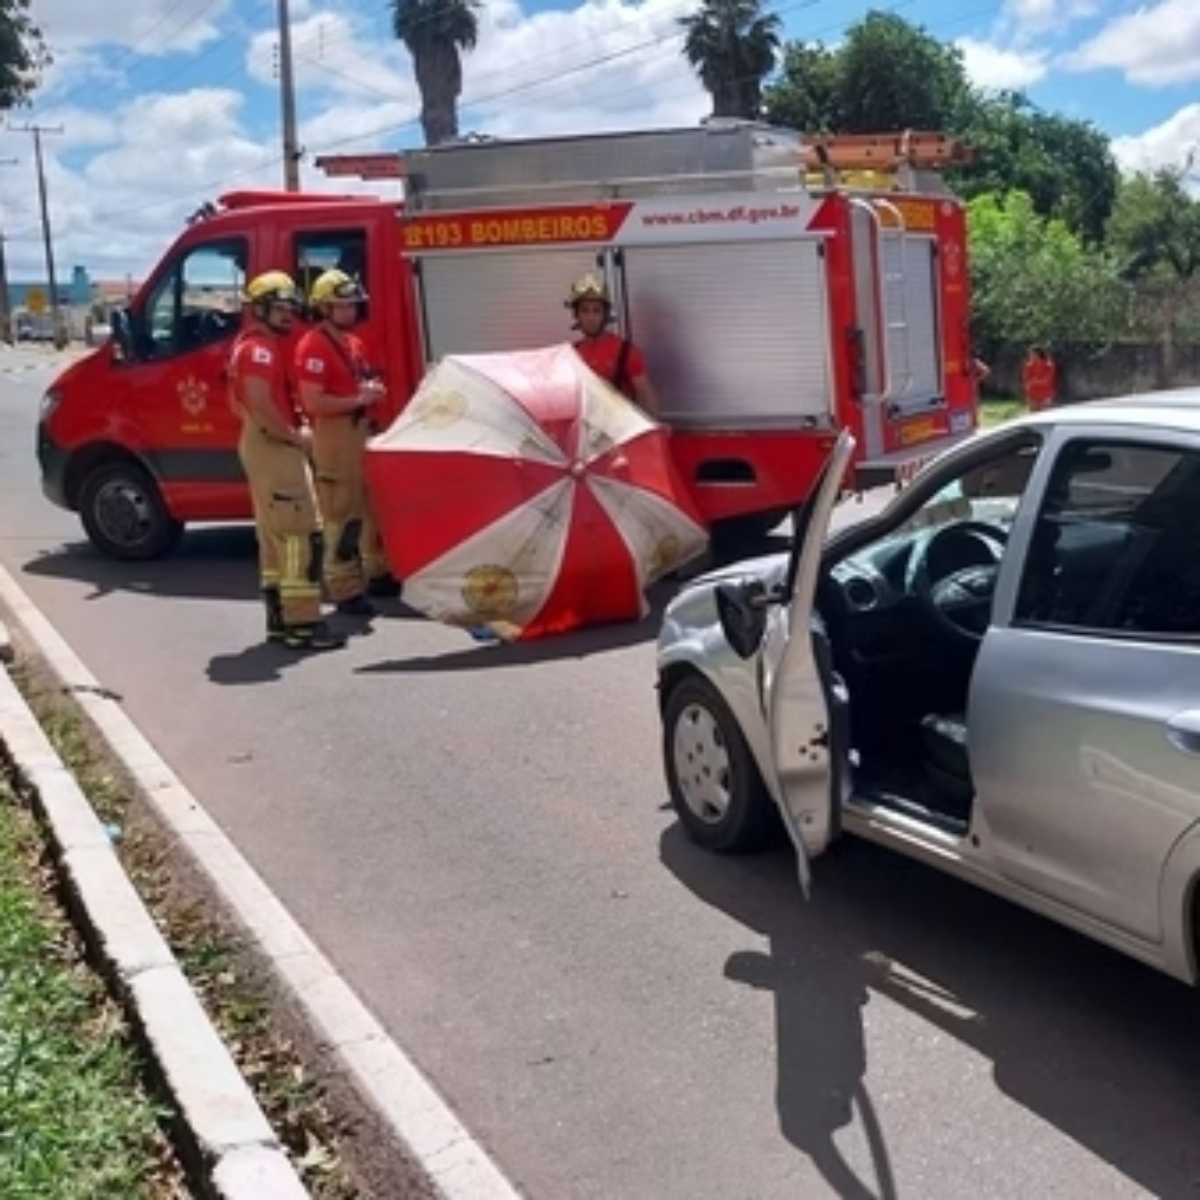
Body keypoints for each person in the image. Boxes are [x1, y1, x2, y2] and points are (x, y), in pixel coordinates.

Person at [227, 270, 345, 652]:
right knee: (299, 536)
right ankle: (304, 623)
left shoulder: (250, 346)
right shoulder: (258, 350)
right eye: (278, 309)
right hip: (274, 446)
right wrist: (294, 436)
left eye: (289, 308)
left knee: (274, 539)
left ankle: (281, 620)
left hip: (262, 444)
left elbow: (241, 404)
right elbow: (260, 403)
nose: (287, 316)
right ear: (259, 309)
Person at [294, 269, 401, 617]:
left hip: (359, 432)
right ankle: (344, 590)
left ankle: (377, 572)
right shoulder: (313, 346)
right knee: (341, 514)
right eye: (342, 306)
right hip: (335, 436)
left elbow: (356, 382)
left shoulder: (352, 344)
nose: (350, 311)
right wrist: (359, 399)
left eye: (353, 305)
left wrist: (370, 393)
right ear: (323, 308)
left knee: (372, 507)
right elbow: (314, 402)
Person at [565, 274, 659, 417]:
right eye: (584, 310)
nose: (590, 318)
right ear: (576, 315)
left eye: (596, 311)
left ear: (606, 315)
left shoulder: (626, 352)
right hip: (587, 432)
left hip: (620, 431)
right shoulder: (571, 353)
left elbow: (645, 393)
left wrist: (653, 433)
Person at [1022, 345, 1057, 413]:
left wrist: (1034, 381)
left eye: (1032, 353)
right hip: (1032, 394)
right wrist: (1037, 381)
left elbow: (1047, 380)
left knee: (1045, 415)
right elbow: (1027, 380)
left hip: (1045, 394)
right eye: (1030, 354)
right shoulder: (1029, 365)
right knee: (1032, 415)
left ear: (1038, 354)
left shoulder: (1048, 364)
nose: (1030, 355)